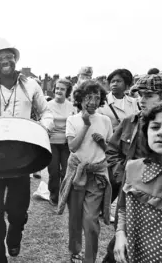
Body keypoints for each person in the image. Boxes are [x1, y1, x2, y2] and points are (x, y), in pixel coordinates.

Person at [0, 38, 54, 263]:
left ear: (15, 59)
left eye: (8, 56)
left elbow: (46, 113)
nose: (4, 61)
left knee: (17, 211)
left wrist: (43, 128)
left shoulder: (31, 86)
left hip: (22, 159)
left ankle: (15, 232)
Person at [101, 72, 162, 263]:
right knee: (119, 247)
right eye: (140, 95)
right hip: (131, 190)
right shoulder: (130, 121)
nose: (141, 100)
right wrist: (122, 174)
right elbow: (112, 149)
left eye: (148, 95)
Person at [57, 80, 113, 263]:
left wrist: (102, 143)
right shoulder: (72, 120)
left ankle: (90, 258)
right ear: (80, 98)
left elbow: (111, 152)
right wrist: (86, 125)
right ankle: (75, 251)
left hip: (96, 175)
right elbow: (72, 147)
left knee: (90, 221)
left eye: (97, 98)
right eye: (89, 97)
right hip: (76, 174)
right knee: (75, 217)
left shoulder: (105, 121)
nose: (93, 102)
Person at [46, 78, 76, 206]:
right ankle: (53, 195)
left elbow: (75, 123)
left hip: (66, 143)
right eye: (57, 88)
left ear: (67, 91)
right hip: (51, 142)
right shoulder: (47, 105)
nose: (59, 91)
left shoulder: (71, 106)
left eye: (62, 89)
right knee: (53, 171)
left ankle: (64, 195)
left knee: (65, 171)